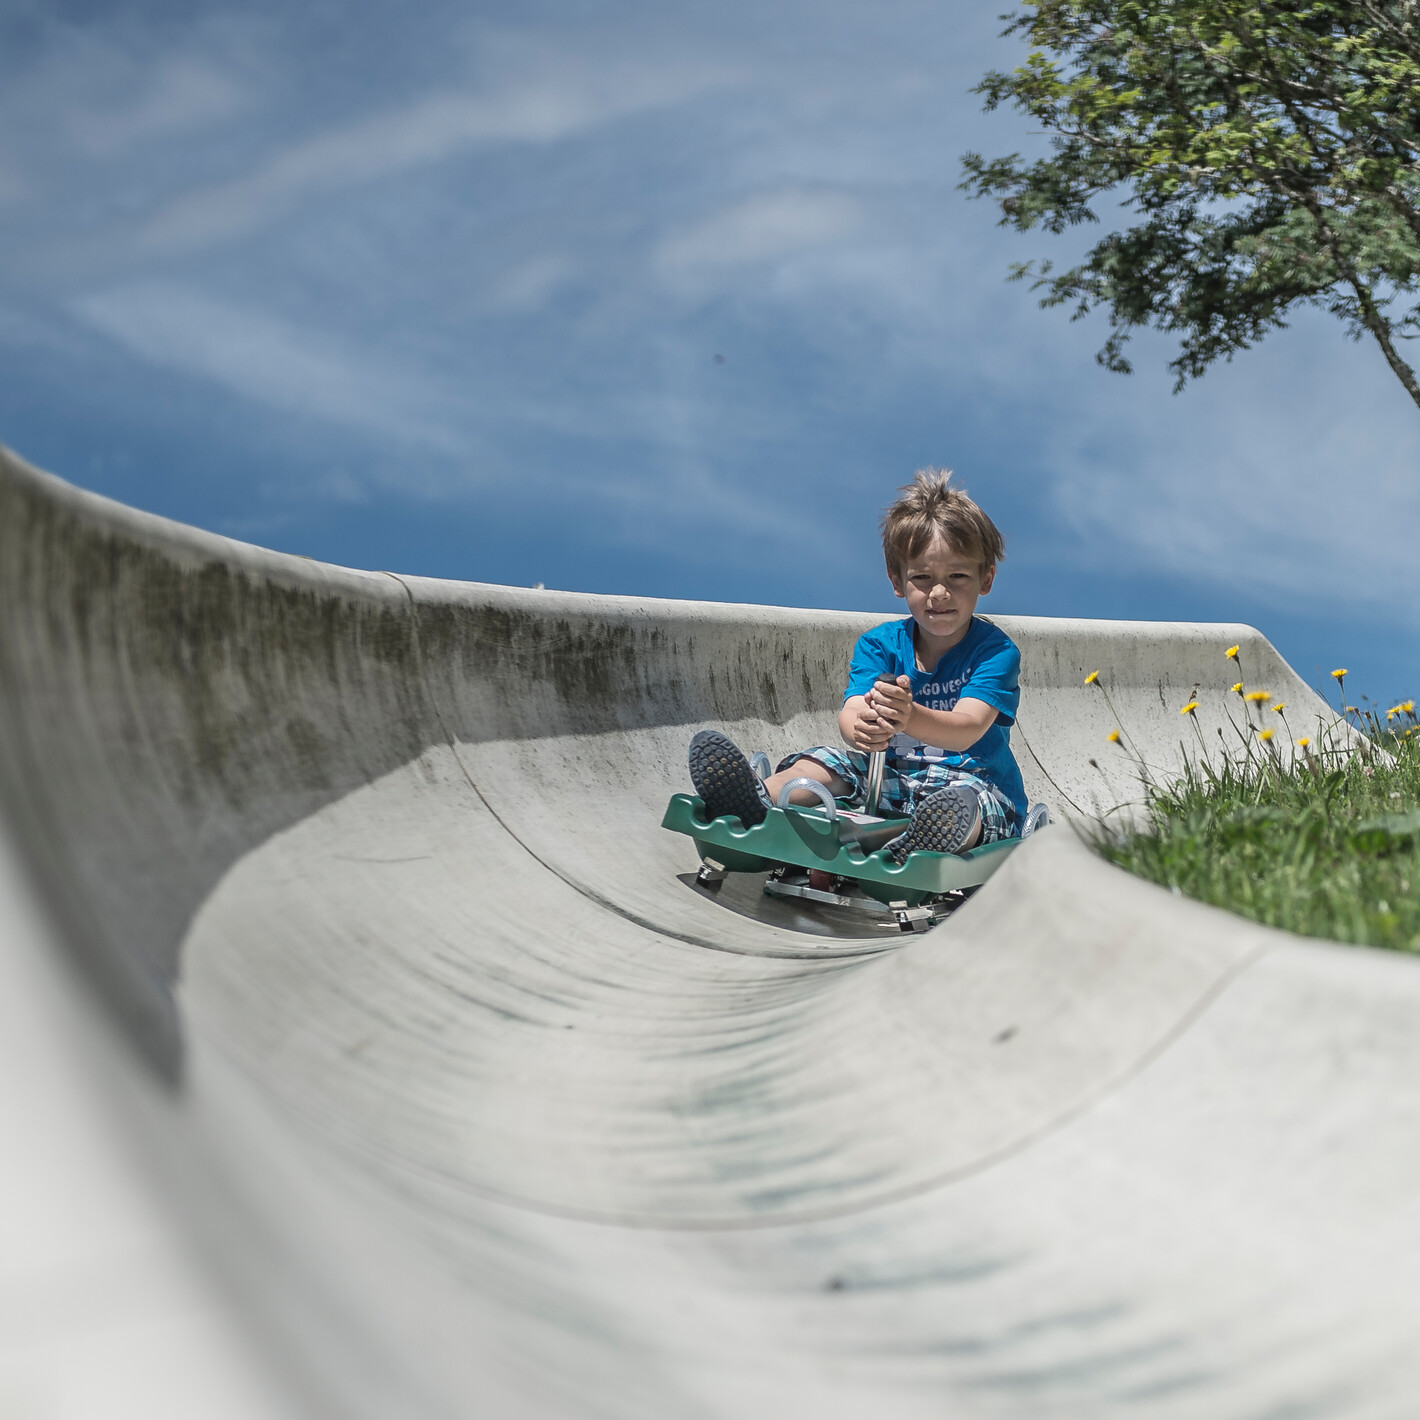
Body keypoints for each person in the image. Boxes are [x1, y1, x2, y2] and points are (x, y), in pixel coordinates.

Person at [688, 468, 1026, 860]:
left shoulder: (994, 652)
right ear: (897, 582)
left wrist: (907, 716)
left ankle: (928, 844)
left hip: (968, 785)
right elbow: (852, 709)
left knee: (971, 806)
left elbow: (967, 728)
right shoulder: (879, 644)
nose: (939, 592)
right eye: (921, 577)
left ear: (986, 579)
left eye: (958, 576)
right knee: (828, 761)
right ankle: (757, 802)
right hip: (891, 782)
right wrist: (860, 728)